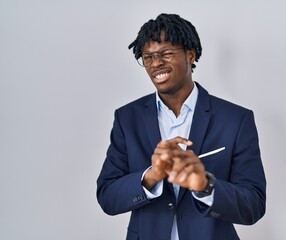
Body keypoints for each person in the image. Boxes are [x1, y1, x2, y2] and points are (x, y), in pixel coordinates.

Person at [96, 13, 266, 240]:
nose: (156, 63)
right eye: (148, 57)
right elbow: (107, 196)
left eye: (165, 53)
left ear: (190, 54)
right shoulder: (128, 119)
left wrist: (204, 184)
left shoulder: (235, 119)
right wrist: (151, 176)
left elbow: (253, 205)